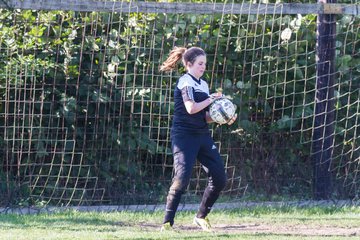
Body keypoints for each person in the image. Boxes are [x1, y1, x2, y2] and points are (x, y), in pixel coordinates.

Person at [159, 46, 237, 231]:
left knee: (219, 179)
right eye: (200, 63)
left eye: (205, 64)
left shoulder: (203, 84)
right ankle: (167, 224)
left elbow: (203, 116)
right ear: (189, 64)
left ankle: (201, 217)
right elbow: (191, 108)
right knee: (182, 179)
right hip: (184, 137)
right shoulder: (185, 81)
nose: (203, 67)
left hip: (202, 135)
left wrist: (224, 117)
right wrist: (211, 99)